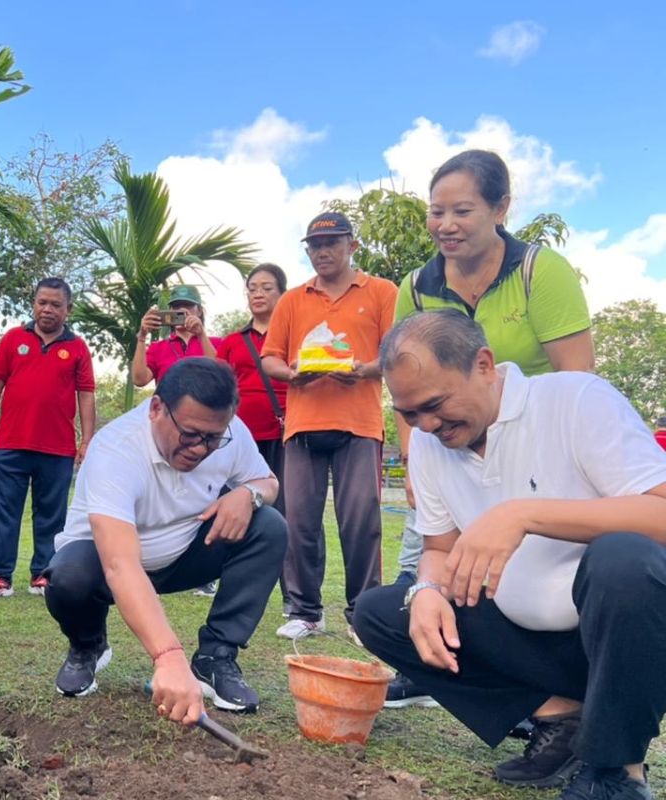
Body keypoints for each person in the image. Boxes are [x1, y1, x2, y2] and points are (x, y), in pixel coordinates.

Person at [354, 310, 666, 800]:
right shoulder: (432, 446)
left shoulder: (576, 400)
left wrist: (525, 514)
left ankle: (617, 771)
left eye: (435, 405)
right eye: (409, 413)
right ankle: (560, 718)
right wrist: (428, 589)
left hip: (623, 640)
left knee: (623, 559)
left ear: (483, 365)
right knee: (381, 612)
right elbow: (438, 547)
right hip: (526, 641)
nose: (427, 425)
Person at [386, 149, 594, 709]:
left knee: (553, 563)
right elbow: (409, 383)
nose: (446, 225)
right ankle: (535, 703)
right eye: (436, 212)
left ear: (501, 208)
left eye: (462, 210)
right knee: (429, 563)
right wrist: (415, 457)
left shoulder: (539, 272)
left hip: (538, 443)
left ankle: (585, 687)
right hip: (457, 447)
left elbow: (579, 380)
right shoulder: (417, 286)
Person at [45, 358, 286, 715]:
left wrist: (246, 495)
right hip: (105, 565)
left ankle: (214, 657)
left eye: (213, 438)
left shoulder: (231, 431)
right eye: (189, 434)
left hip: (187, 553)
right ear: (156, 408)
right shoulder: (116, 449)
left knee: (269, 526)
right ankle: (88, 646)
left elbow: (268, 482)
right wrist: (168, 656)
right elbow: (120, 565)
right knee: (68, 576)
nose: (201, 448)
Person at [261, 212, 397, 641]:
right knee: (298, 519)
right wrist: (292, 374)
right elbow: (270, 359)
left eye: (332, 243)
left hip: (359, 423)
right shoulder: (293, 299)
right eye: (315, 246)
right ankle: (305, 611)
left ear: (352, 246)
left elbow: (396, 355)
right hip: (302, 423)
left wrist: (364, 370)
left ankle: (363, 613)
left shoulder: (381, 292)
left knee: (360, 520)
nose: (322, 252)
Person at [0, 278, 97, 598]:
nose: (47, 309)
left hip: (57, 447)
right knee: (3, 510)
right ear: (34, 303)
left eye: (55, 304)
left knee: (51, 514)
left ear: (68, 309)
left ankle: (44, 574)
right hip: (11, 443)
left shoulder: (77, 347)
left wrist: (87, 441)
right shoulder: (14, 339)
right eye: (42, 302)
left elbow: (86, 396)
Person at [216, 263, 290, 608]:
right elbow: (221, 389)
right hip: (243, 440)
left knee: (291, 512)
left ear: (282, 293)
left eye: (267, 288)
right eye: (252, 288)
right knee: (238, 508)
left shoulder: (295, 335)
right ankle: (234, 584)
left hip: (288, 435)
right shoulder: (232, 342)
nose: (258, 294)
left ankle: (296, 596)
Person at [132, 284, 218, 387]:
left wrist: (201, 335)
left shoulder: (216, 343)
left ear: (199, 311)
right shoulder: (157, 348)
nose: (181, 310)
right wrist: (141, 337)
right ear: (170, 311)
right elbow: (139, 380)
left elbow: (220, 374)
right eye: (176, 306)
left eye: (187, 305)